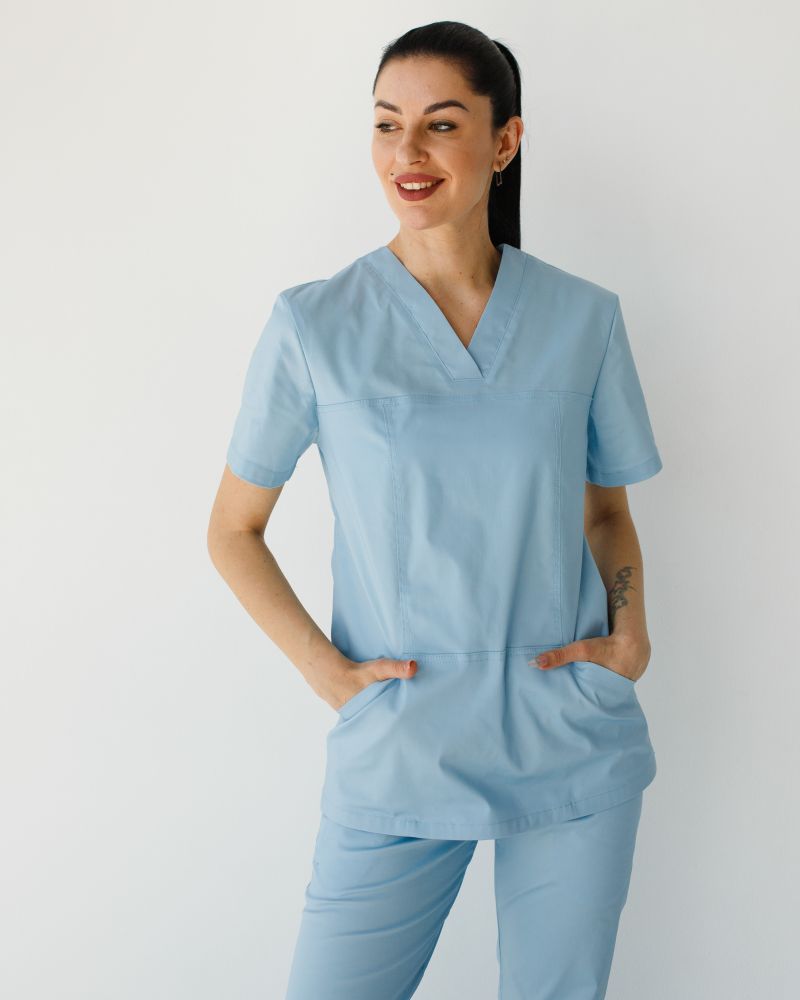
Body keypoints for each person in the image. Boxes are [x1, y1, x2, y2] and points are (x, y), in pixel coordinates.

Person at [207, 19, 663, 1000]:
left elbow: (604, 512)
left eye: (440, 123)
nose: (406, 152)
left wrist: (629, 631)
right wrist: (327, 672)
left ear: (504, 142)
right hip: (401, 738)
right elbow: (233, 529)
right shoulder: (314, 325)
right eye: (386, 124)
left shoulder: (581, 318)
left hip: (568, 736)